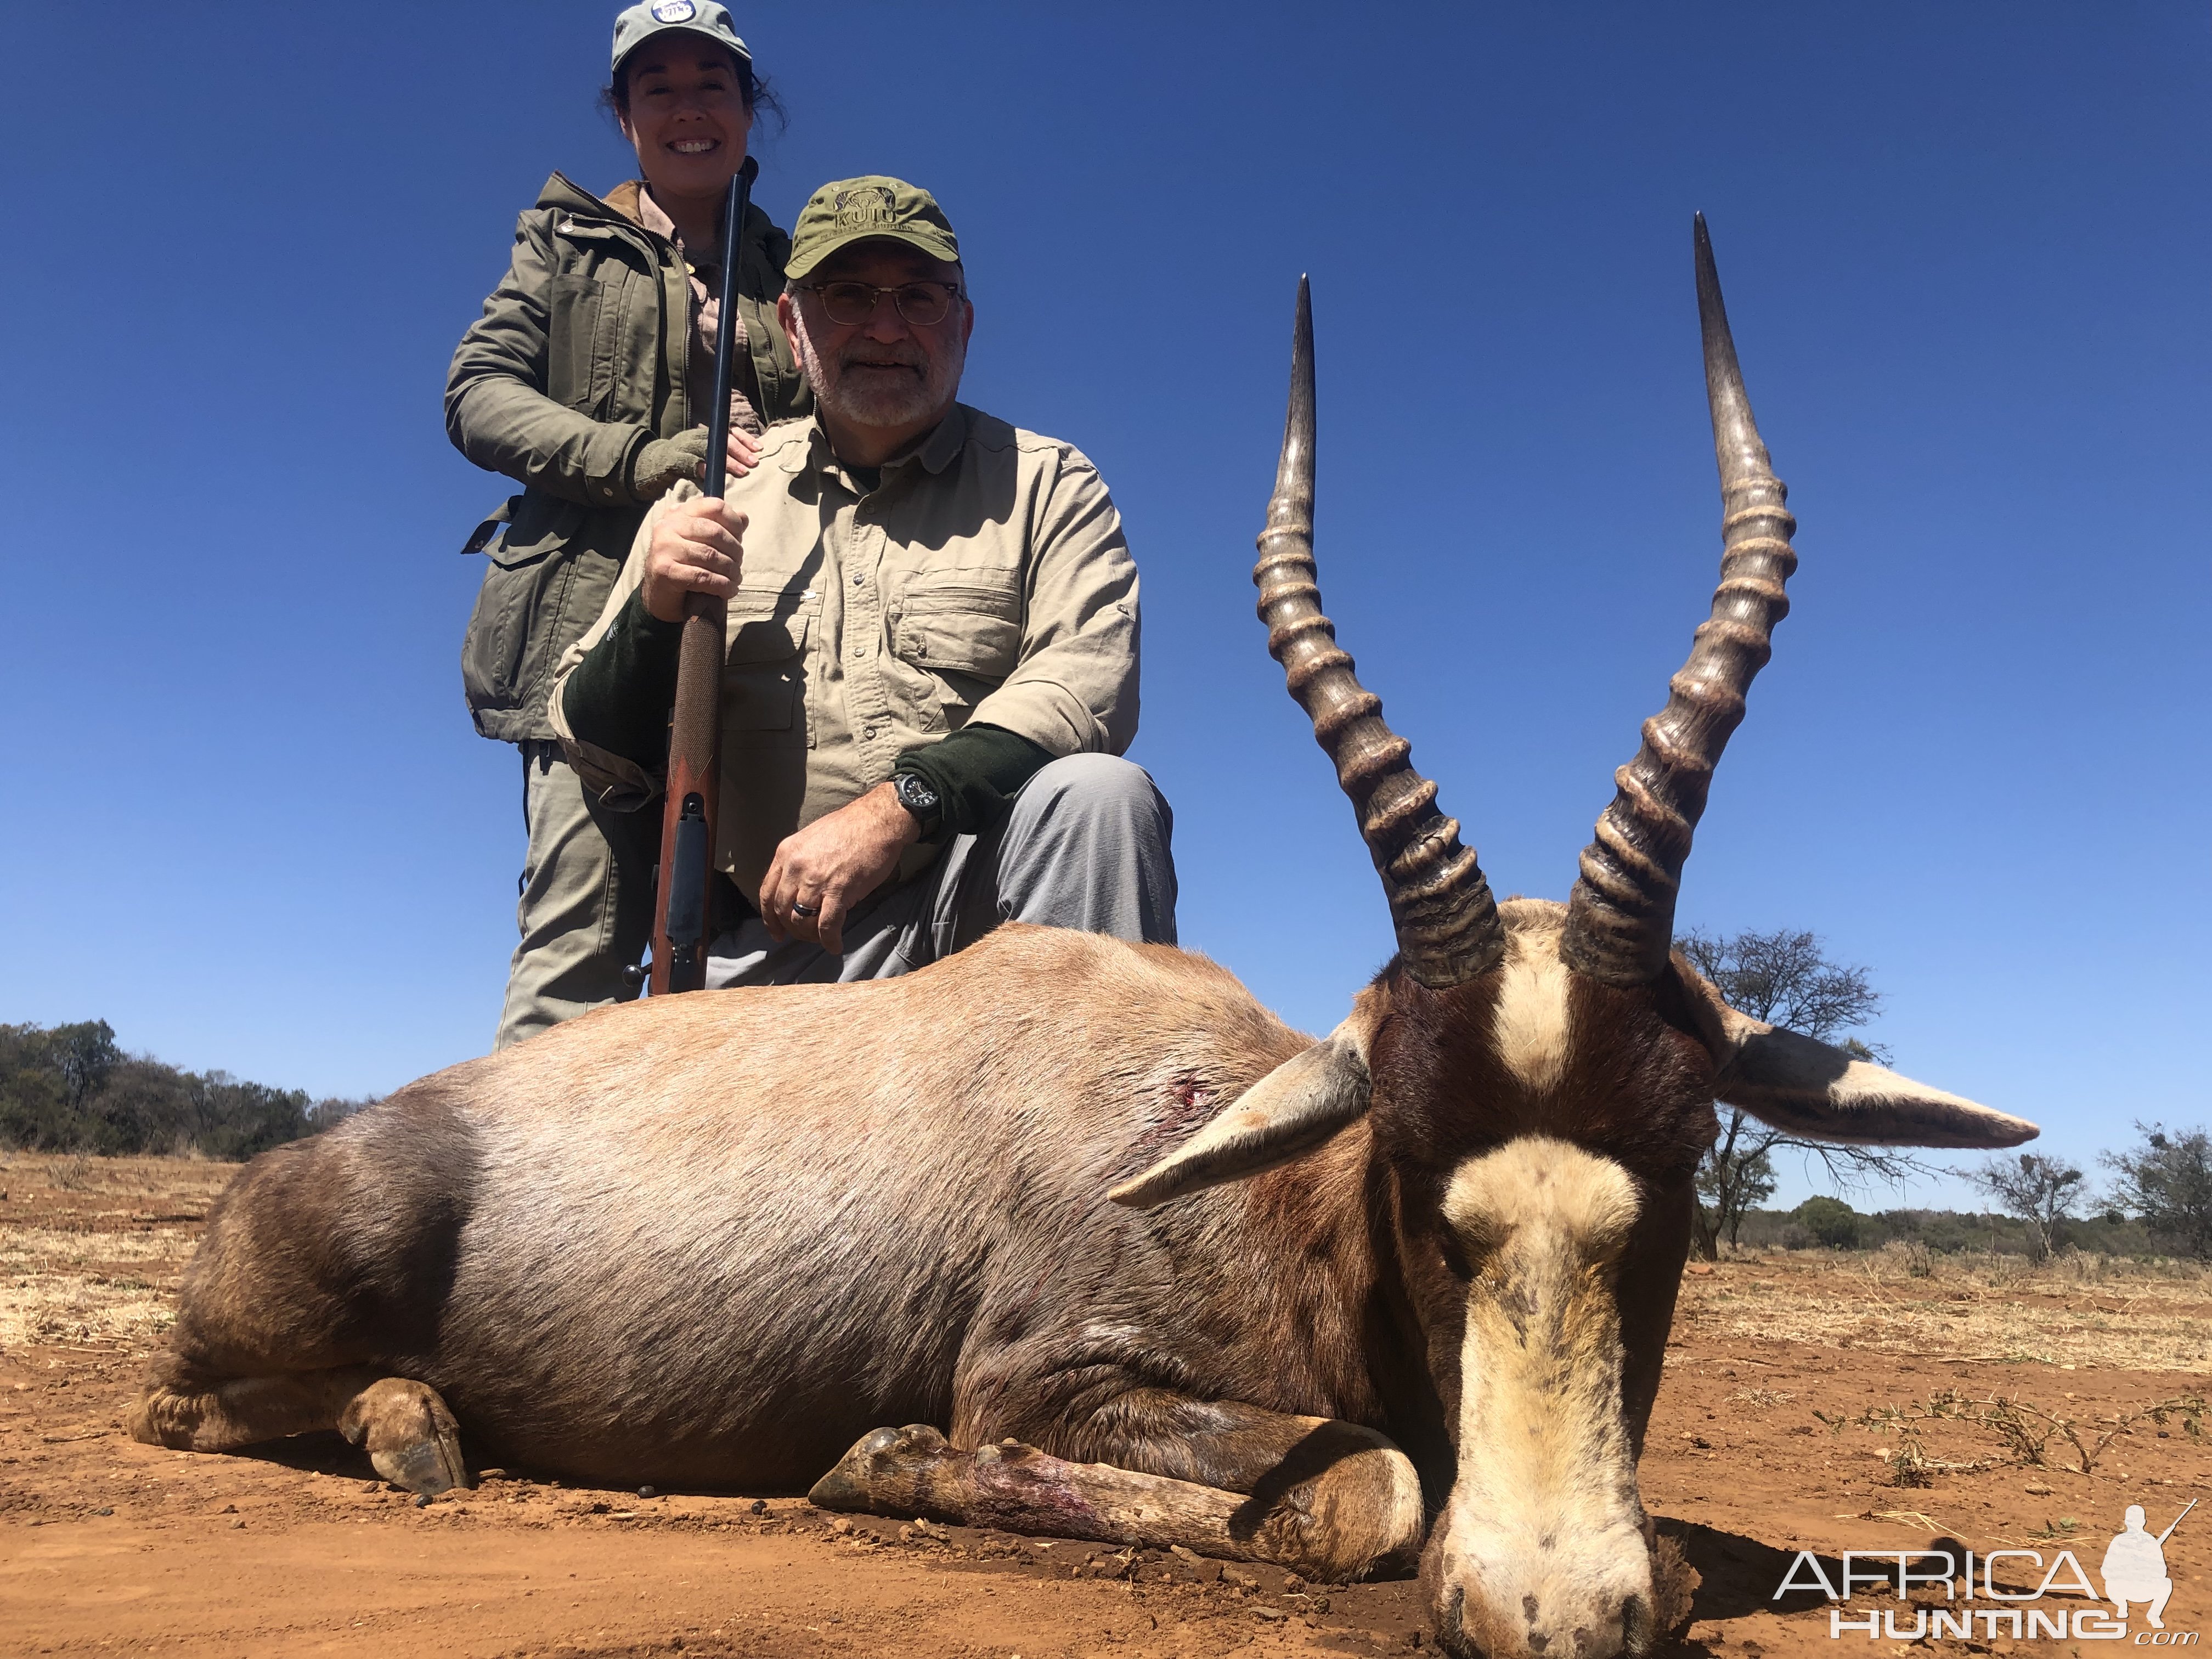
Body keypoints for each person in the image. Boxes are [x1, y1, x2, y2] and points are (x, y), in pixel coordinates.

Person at [549, 176, 1176, 985]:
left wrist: (898, 809)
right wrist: (654, 614)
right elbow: (589, 735)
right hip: (776, 943)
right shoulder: (711, 493)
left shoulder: (1049, 483)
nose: (887, 327)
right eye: (847, 296)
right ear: (790, 322)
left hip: (977, 921)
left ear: (965, 323)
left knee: (1102, 799)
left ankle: (1090, 1104)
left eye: (921, 297)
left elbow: (1084, 688)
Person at [447, 2, 812, 1048]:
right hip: (585, 640)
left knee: (764, 953)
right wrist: (653, 463)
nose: (688, 109)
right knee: (578, 953)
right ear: (622, 116)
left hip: (759, 640)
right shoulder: (560, 238)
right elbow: (477, 393)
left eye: (713, 85)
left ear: (749, 110)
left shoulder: (795, 269)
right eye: (659, 88)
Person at [2101, 1505, 2175, 1628]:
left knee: (2110, 1582)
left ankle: (2123, 1606)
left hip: (2122, 1590)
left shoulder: (2119, 1540)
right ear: (2144, 1522)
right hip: (2142, 1591)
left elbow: (2106, 1571)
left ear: (2126, 1522)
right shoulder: (2150, 1542)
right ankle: (2153, 1615)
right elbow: (2162, 1572)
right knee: (2166, 1583)